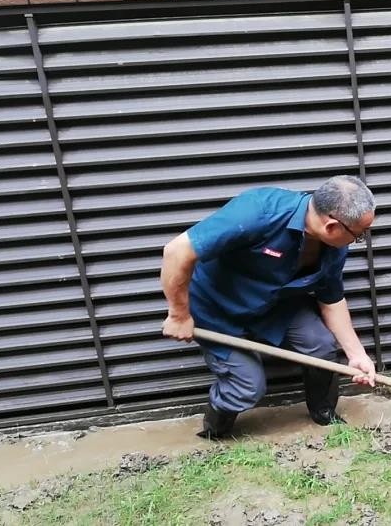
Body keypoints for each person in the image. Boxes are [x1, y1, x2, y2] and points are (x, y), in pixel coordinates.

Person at [160, 175, 378, 439]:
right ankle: (215, 430)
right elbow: (176, 251)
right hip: (218, 311)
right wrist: (179, 314)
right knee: (247, 387)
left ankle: (324, 413)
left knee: (321, 345)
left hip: (275, 305)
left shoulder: (333, 246)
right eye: (359, 236)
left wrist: (357, 354)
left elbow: (331, 299)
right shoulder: (259, 211)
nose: (360, 240)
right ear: (332, 226)